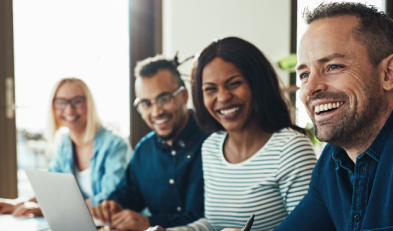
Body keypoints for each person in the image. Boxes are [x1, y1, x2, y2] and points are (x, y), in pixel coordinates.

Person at [226, 2, 393, 231]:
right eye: (304, 74)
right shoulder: (334, 160)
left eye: (333, 66)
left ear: (389, 73)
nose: (310, 88)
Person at [158, 37, 317, 231]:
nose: (223, 97)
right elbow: (213, 224)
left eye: (234, 84)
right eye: (210, 89)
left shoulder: (290, 148)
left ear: (256, 85)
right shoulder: (211, 147)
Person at [89, 56, 209, 231]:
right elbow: (128, 194)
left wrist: (151, 223)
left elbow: (215, 218)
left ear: (184, 95)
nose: (156, 111)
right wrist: (113, 205)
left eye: (164, 99)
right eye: (146, 103)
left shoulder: (213, 142)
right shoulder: (144, 150)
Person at [0, 77, 131, 217]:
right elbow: (50, 188)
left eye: (77, 101)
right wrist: (19, 203)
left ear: (89, 103)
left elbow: (109, 202)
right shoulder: (64, 144)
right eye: (61, 102)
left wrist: (47, 210)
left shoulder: (115, 145)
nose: (69, 109)